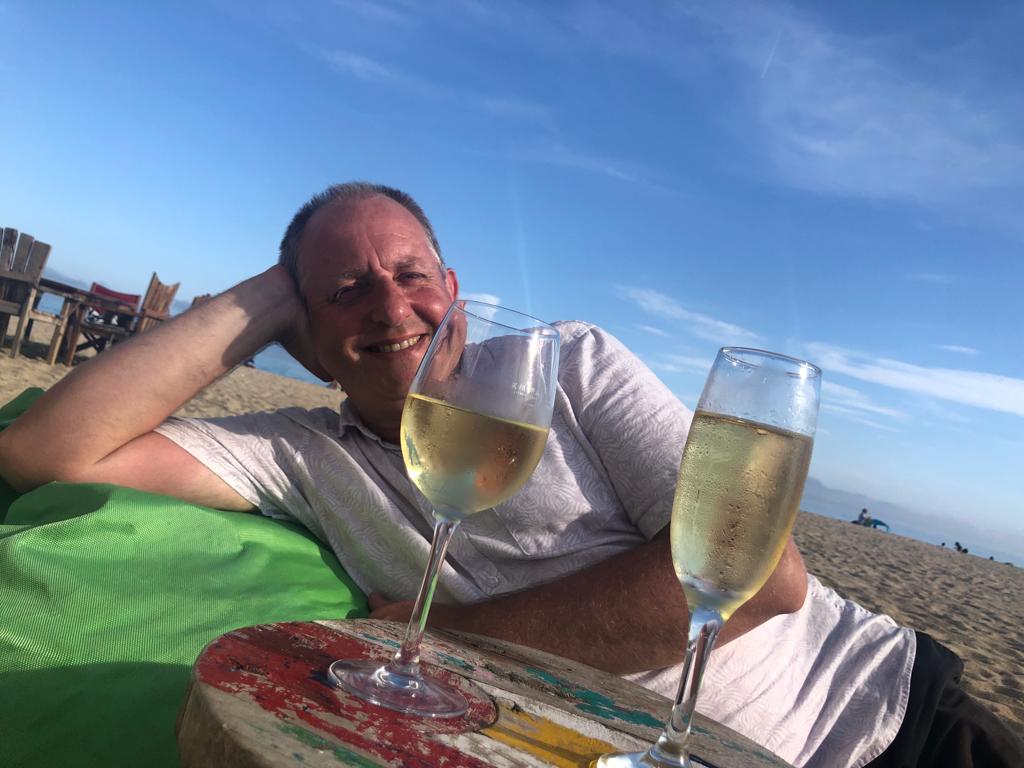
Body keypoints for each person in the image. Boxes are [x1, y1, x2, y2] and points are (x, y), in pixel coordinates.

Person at [0, 182, 1018, 768]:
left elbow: (753, 574)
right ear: (300, 337)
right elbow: (44, 451)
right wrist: (268, 288)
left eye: (410, 276)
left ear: (455, 293)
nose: (388, 307)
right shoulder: (297, 453)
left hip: (890, 721)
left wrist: (436, 636)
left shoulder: (570, 365)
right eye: (343, 290)